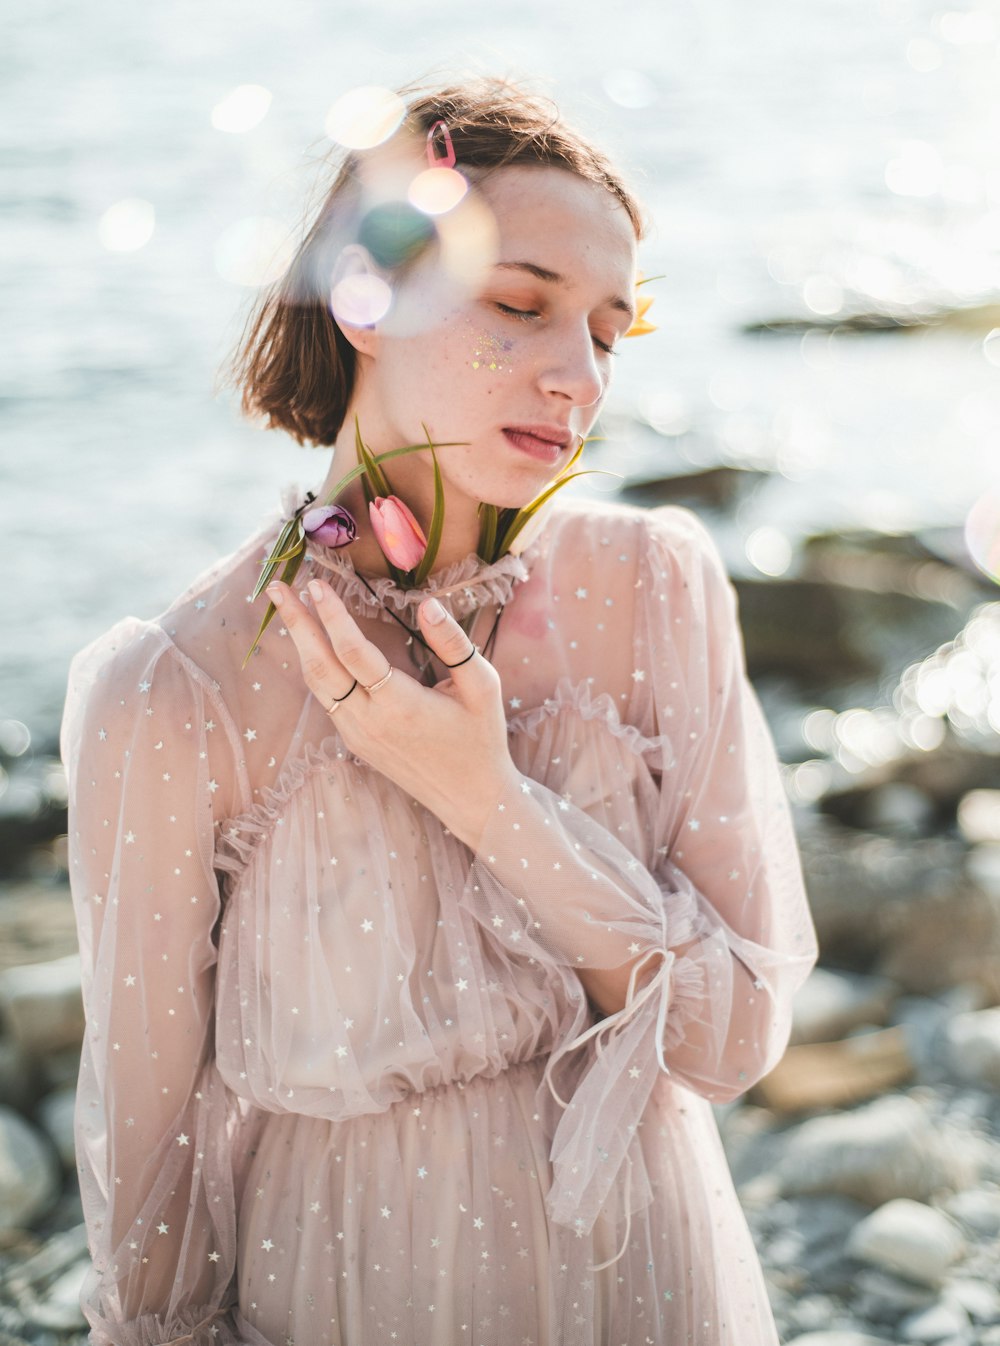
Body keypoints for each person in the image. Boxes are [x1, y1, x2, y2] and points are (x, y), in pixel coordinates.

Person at [61, 75, 818, 1346]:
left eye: (607, 332)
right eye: (519, 305)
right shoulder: (175, 691)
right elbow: (150, 1164)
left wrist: (489, 798)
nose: (576, 376)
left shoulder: (656, 587)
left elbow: (733, 1039)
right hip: (344, 1298)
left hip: (651, 1287)